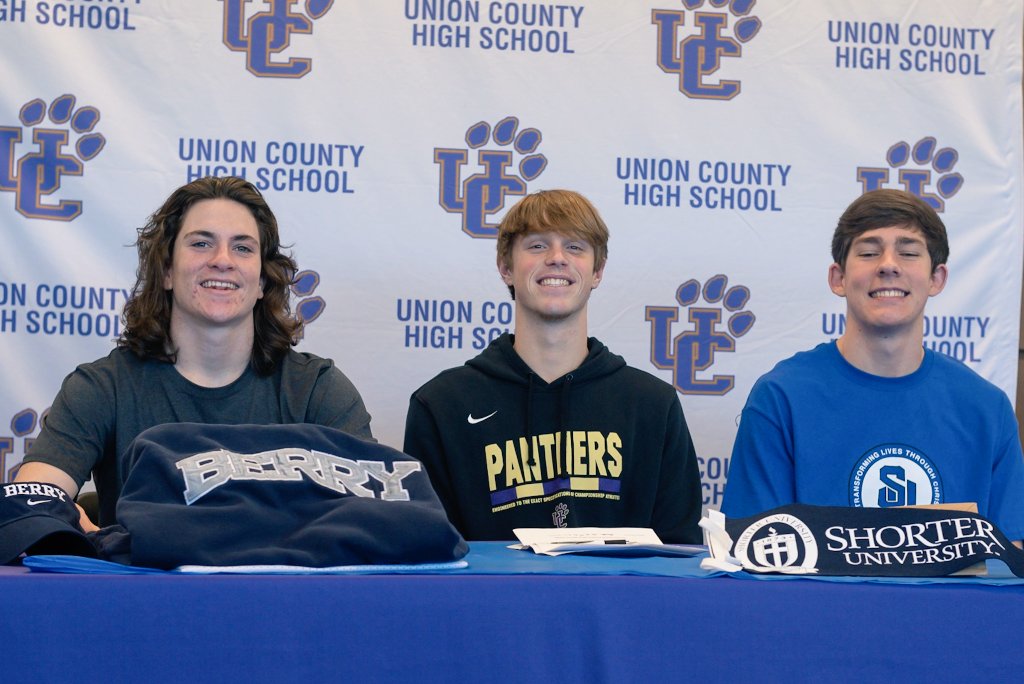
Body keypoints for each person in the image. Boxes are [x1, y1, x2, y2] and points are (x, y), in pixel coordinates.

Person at [17, 176, 373, 529]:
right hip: (145, 586)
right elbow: (31, 502)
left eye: (243, 248)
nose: (222, 260)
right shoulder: (103, 387)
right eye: (201, 243)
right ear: (167, 270)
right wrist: (96, 544)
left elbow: (380, 511)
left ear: (263, 280)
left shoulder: (316, 390)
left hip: (279, 586)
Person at [722, 189, 1024, 543]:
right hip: (814, 602)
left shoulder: (986, 408)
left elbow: (1010, 556)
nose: (888, 265)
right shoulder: (781, 397)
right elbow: (754, 552)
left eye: (909, 253)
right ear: (838, 278)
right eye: (868, 252)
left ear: (936, 279)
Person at [403, 189, 702, 542]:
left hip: (615, 600)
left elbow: (679, 556)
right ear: (506, 269)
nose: (557, 258)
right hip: (493, 599)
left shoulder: (653, 405)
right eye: (537, 246)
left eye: (575, 246)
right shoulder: (442, 405)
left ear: (597, 272)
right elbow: (430, 554)